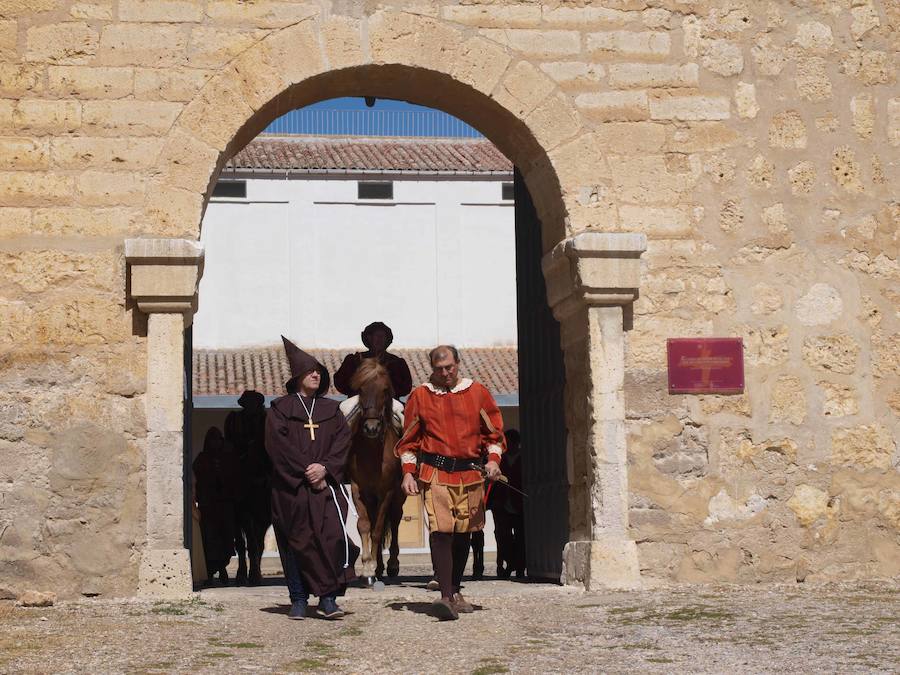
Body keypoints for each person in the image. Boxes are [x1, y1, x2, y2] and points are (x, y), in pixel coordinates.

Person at [396, 345, 506, 620]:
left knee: (464, 533)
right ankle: (445, 596)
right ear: (431, 369)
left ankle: (455, 589)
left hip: (470, 474)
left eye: (449, 367)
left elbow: (494, 435)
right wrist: (408, 472)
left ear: (458, 363)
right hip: (435, 473)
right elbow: (409, 441)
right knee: (441, 530)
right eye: (438, 369)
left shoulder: (477, 392)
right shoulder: (420, 396)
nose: (445, 373)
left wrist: (493, 461)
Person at [266, 336, 359, 620]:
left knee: (331, 540)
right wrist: (307, 472)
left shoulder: (332, 410)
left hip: (325, 489)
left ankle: (328, 599)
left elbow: (343, 443)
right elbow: (277, 447)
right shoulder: (280, 409)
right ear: (297, 377)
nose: (317, 374)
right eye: (310, 371)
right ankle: (298, 598)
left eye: (318, 371)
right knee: (295, 543)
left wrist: (325, 470)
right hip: (291, 491)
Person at [224, 390, 271, 586]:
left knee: (259, 529)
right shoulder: (234, 420)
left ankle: (255, 567)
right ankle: (243, 566)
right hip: (239, 477)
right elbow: (229, 446)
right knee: (238, 528)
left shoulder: (266, 421)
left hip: (262, 479)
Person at [192, 426, 240, 585]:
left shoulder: (227, 459)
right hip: (209, 506)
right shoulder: (201, 459)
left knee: (226, 539)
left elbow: (233, 478)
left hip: (225, 506)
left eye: (218, 439)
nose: (215, 443)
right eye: (212, 439)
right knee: (210, 541)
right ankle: (212, 571)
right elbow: (198, 478)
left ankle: (222, 568)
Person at [334, 321, 413, 399]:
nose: (379, 339)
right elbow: (340, 384)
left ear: (387, 339)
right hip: (356, 402)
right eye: (377, 336)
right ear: (369, 338)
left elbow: (406, 388)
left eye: (382, 336)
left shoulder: (397, 363)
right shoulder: (353, 360)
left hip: (391, 404)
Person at [489, 428, 525, 579]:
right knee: (503, 537)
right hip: (502, 504)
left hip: (519, 504)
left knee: (521, 537)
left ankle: (520, 567)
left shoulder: (523, 459)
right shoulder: (499, 461)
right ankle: (507, 563)